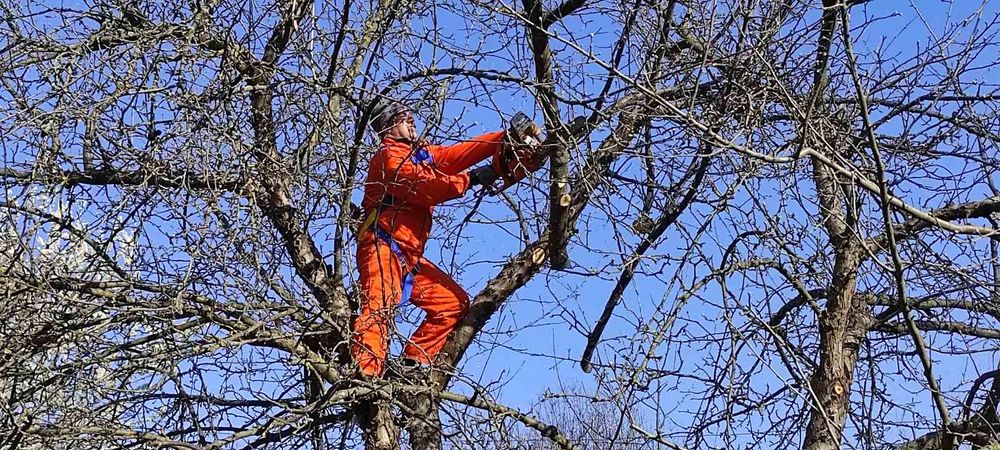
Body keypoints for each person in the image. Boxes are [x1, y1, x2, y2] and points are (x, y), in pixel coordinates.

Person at [352, 99, 536, 378]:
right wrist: (470, 179)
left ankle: (411, 364)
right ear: (388, 127)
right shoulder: (388, 158)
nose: (412, 120)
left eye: (410, 115)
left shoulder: (420, 154)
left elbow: (456, 154)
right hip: (383, 247)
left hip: (408, 257)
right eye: (403, 118)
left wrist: (504, 137)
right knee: (378, 307)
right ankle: (365, 377)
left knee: (452, 303)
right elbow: (425, 186)